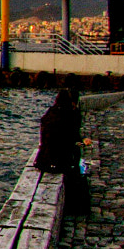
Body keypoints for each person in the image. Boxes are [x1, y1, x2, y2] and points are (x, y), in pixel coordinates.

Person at [35, 86, 92, 217]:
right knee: (75, 170)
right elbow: (69, 139)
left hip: (43, 159)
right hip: (56, 160)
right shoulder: (66, 116)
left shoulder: (51, 113)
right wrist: (81, 141)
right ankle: (78, 208)